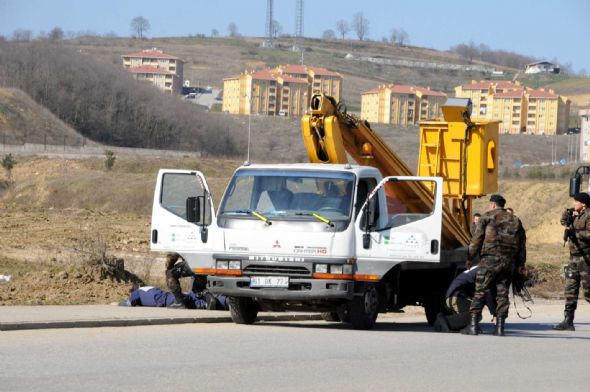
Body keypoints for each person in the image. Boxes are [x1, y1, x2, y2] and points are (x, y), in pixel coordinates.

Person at [462, 194, 526, 336]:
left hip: (489, 261)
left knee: (480, 291)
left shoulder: (487, 217)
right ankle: (500, 328)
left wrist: (469, 257)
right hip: (508, 263)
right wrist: (520, 264)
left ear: (492, 205)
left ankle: (473, 326)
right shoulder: (515, 220)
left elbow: (476, 239)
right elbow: (522, 245)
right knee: (503, 294)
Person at [553, 192, 590, 331]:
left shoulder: (589, 215)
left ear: (584, 204)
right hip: (574, 258)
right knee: (570, 291)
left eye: (576, 202)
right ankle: (568, 321)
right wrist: (568, 212)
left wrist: (575, 233)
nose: (574, 203)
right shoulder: (576, 214)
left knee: (588, 293)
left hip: (586, 259)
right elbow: (563, 221)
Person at [433, 266, 496, 332]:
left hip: (456, 295)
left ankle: (462, 325)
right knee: (475, 314)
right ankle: (443, 321)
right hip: (457, 296)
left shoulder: (483, 266)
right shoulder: (487, 270)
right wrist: (495, 313)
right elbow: (487, 293)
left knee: (475, 314)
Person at [121, 285, 227, 310]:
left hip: (168, 301)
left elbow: (129, 303)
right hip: (170, 295)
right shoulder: (150, 288)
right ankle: (224, 300)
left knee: (194, 303)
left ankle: (222, 302)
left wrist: (117, 303)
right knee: (191, 298)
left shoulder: (138, 292)